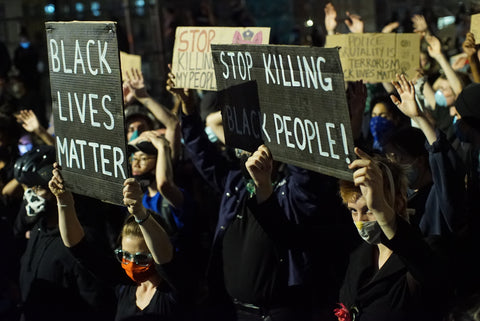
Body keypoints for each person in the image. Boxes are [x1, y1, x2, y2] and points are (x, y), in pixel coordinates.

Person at [171, 70, 344, 321]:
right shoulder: (237, 183)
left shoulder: (293, 190)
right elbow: (203, 157)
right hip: (234, 310)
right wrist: (188, 108)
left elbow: (305, 173)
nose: (242, 146)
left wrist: (284, 116)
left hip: (281, 312)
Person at [48, 163, 182, 321]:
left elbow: (165, 258)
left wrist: (139, 211)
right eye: (124, 255)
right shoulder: (124, 281)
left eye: (141, 258)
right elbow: (78, 248)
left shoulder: (176, 288)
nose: (131, 264)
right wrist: (64, 201)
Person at [337, 147, 450, 321]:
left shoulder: (428, 251)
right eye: (353, 211)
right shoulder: (358, 256)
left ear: (398, 202)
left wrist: (380, 208)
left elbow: (420, 261)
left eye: (369, 209)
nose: (360, 220)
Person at [14, 145, 115, 321]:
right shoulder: (39, 229)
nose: (30, 195)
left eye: (37, 187)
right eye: (27, 188)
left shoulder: (83, 239)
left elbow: (97, 303)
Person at [386, 74, 467, 236]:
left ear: (420, 161)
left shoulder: (440, 194)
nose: (394, 166)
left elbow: (441, 156)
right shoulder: (401, 198)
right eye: (390, 160)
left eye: (399, 159)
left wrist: (419, 117)